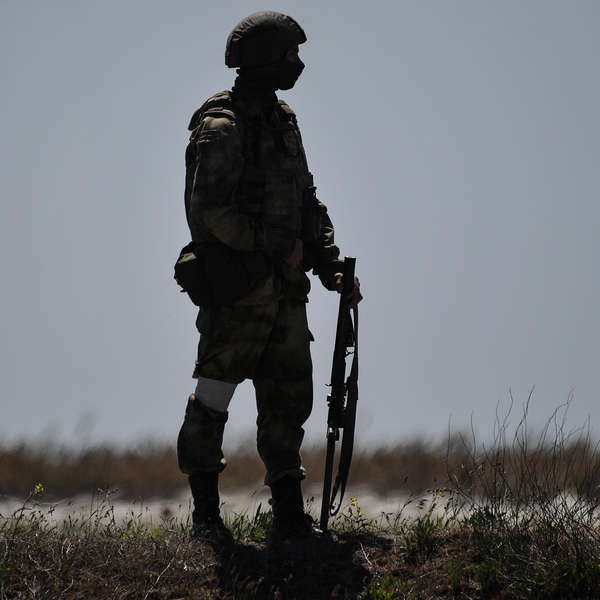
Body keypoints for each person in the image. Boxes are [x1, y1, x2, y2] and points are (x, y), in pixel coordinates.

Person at [176, 11, 362, 546]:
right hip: (236, 292)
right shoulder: (221, 127)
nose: (297, 65)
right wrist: (275, 245)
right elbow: (211, 212)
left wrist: (328, 261)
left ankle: (289, 519)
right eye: (289, 55)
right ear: (263, 61)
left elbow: (305, 197)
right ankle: (206, 520)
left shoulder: (284, 120)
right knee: (213, 400)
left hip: (284, 293)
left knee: (287, 403)